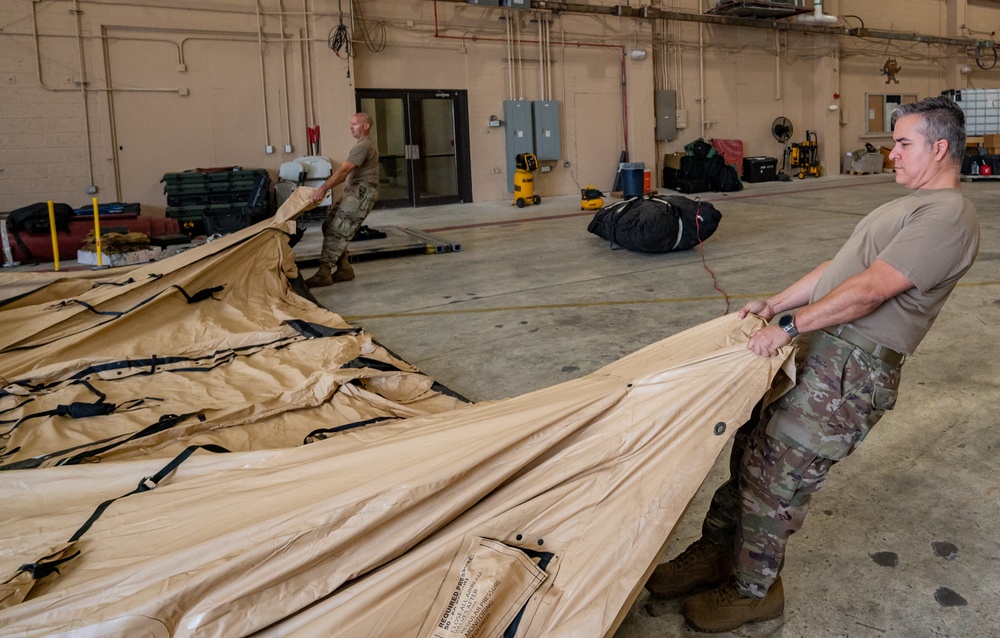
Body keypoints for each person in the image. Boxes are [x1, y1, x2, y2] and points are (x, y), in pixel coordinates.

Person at [645, 95, 980, 633]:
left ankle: (754, 591)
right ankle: (716, 554)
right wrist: (778, 304)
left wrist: (791, 327)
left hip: (851, 369)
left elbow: (871, 291)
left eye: (902, 143)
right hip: (821, 348)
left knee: (776, 480)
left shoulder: (948, 217)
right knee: (749, 452)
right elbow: (840, 268)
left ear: (939, 148)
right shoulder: (904, 207)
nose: (890, 153)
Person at [306, 112, 380, 287]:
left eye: (354, 124)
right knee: (328, 225)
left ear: (366, 126)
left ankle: (324, 273)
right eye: (350, 124)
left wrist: (323, 189)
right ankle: (344, 268)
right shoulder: (361, 145)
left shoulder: (364, 145)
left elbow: (344, 171)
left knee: (337, 231)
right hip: (354, 190)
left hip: (362, 192)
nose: (351, 127)